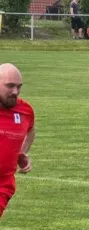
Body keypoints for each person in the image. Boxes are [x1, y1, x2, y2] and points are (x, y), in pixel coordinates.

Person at [0, 64, 35, 219]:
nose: (15, 92)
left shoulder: (25, 111)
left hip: (3, 185)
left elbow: (31, 129)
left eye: (18, 87)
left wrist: (23, 151)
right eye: (10, 86)